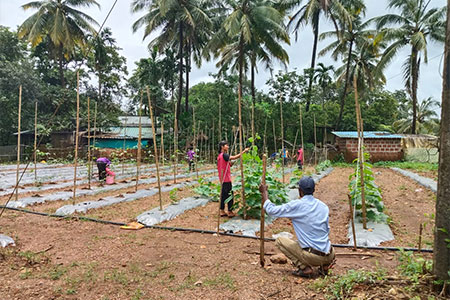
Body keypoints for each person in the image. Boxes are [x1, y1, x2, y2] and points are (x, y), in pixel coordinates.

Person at [260, 176, 335, 278]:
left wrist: (264, 193)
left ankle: (304, 268)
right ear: (314, 190)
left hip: (313, 257)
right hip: (330, 253)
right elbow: (327, 230)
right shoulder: (323, 206)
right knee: (311, 241)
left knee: (280, 241)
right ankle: (325, 266)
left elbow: (272, 210)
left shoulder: (297, 205)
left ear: (300, 191)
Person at [217, 141, 249, 217]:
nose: (228, 147)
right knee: (230, 195)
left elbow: (229, 164)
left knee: (223, 195)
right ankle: (230, 211)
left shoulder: (219, 156)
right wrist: (244, 151)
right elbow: (234, 157)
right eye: (226, 145)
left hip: (222, 178)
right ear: (222, 147)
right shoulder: (224, 155)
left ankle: (222, 210)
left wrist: (233, 162)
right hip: (226, 178)